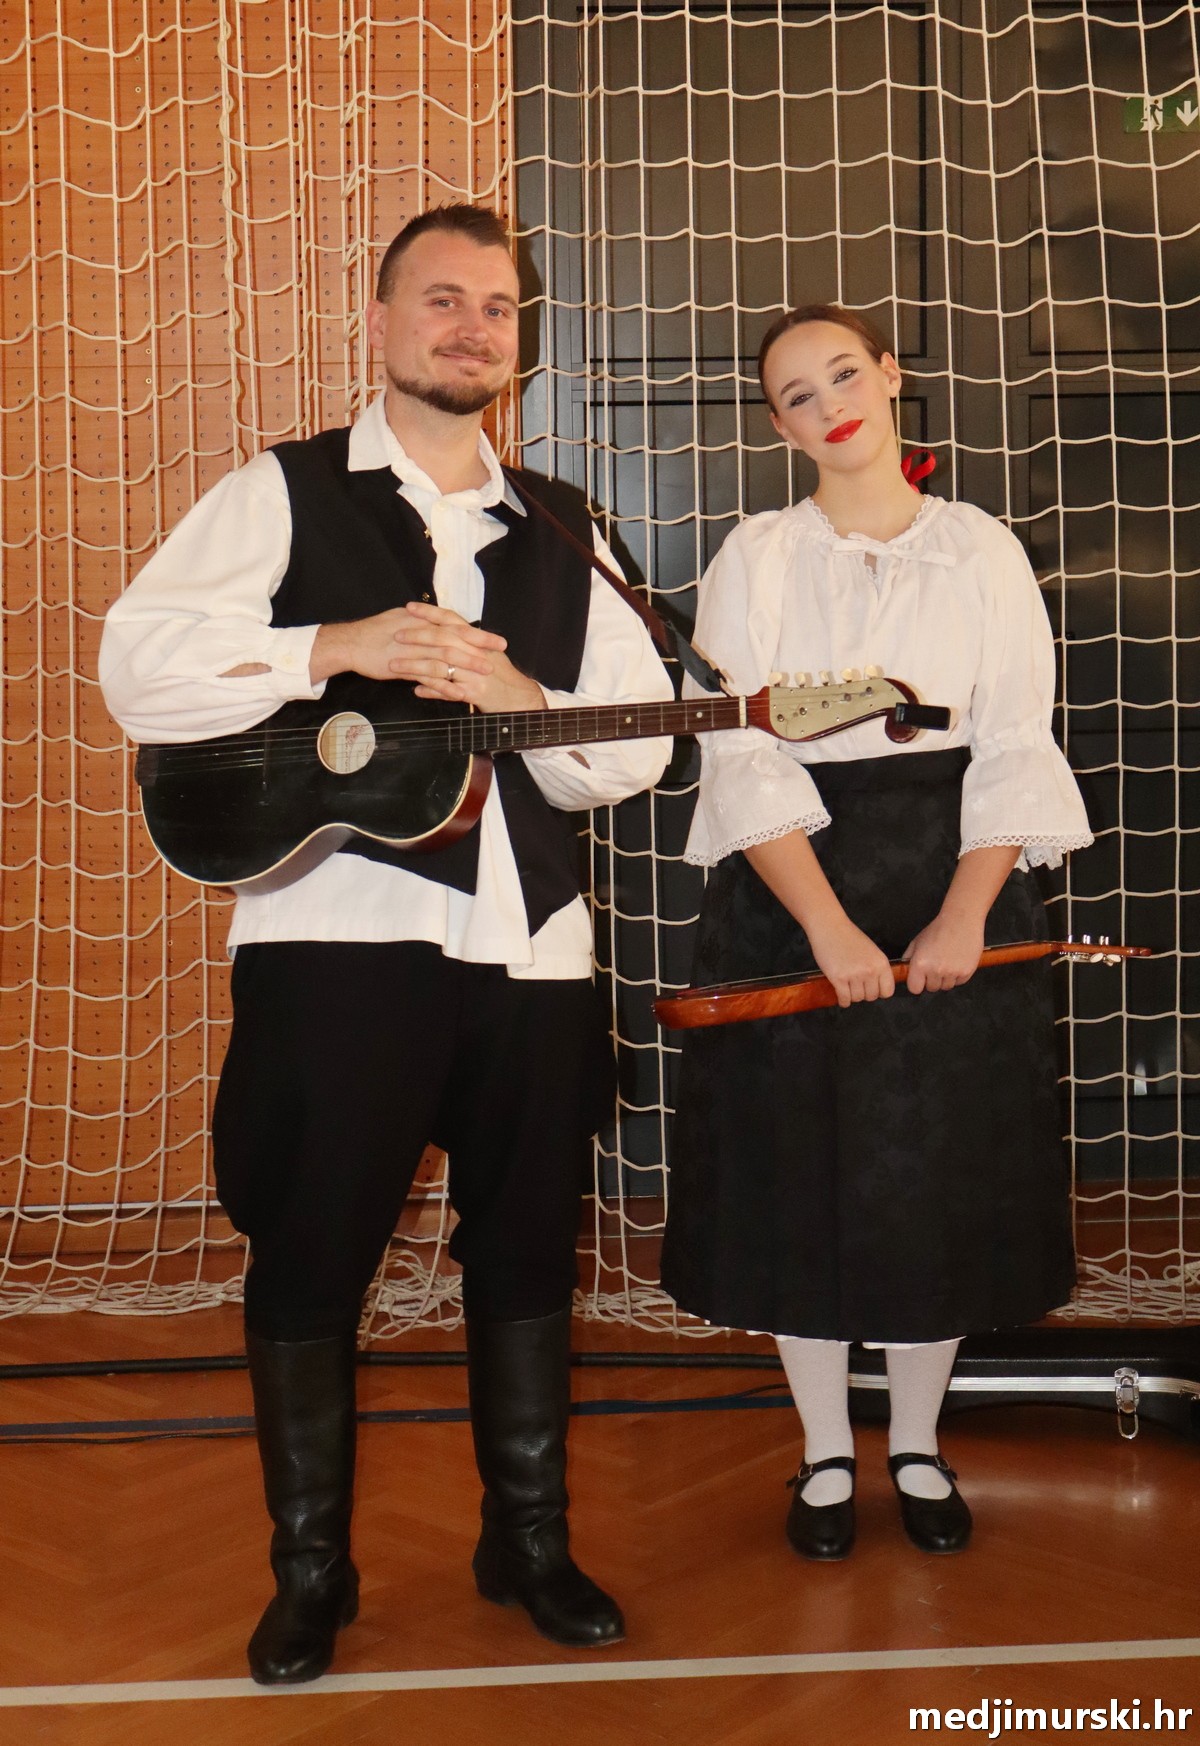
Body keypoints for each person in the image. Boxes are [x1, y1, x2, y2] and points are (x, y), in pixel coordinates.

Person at [99, 204, 673, 1682]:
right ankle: (312, 1571)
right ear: (379, 320)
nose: (472, 326)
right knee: (312, 1249)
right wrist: (334, 648)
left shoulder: (566, 524)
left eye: (498, 305)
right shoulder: (281, 491)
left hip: (534, 945)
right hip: (337, 935)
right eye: (442, 298)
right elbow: (137, 665)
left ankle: (526, 1543)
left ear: (519, 338)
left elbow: (628, 756)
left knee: (527, 1249)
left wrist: (523, 698)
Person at [659, 303, 1093, 1563]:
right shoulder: (756, 555)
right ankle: (823, 1452)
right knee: (800, 1175)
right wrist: (829, 929)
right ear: (779, 425)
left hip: (955, 882)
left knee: (934, 1178)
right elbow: (739, 751)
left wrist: (964, 913)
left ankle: (914, 1442)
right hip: (792, 891)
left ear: (891, 376)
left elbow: (1014, 741)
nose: (830, 405)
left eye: (844, 373)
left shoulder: (983, 550)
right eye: (798, 394)